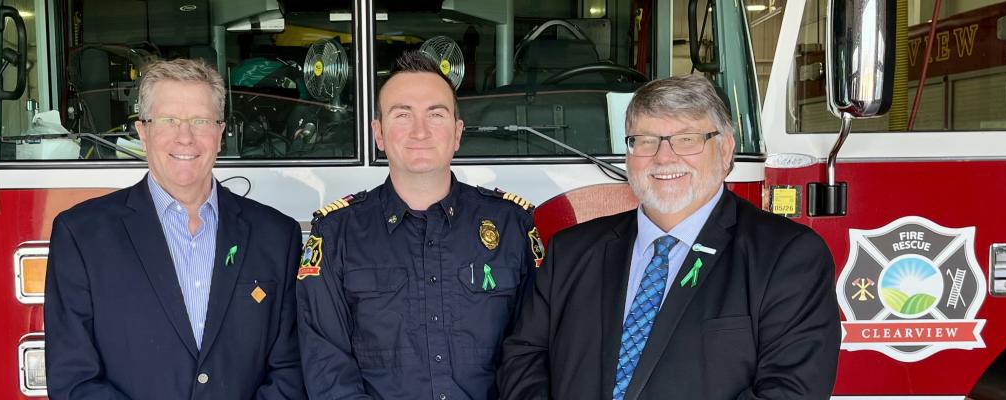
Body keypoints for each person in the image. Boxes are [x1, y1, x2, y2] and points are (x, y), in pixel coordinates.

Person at [496, 75, 840, 400]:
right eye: (644, 140)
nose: (663, 157)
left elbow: (790, 390)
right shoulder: (570, 251)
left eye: (686, 139)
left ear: (725, 150)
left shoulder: (788, 257)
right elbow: (524, 357)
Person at [45, 58, 304, 399]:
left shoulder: (277, 236)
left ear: (221, 132)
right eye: (168, 121)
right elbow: (73, 379)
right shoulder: (80, 235)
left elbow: (291, 369)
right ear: (142, 131)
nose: (186, 138)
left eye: (200, 121)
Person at [296, 51, 545, 400]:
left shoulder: (513, 226)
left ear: (457, 133)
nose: (420, 131)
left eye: (436, 114)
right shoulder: (336, 233)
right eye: (402, 115)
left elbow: (534, 352)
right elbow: (327, 365)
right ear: (379, 134)